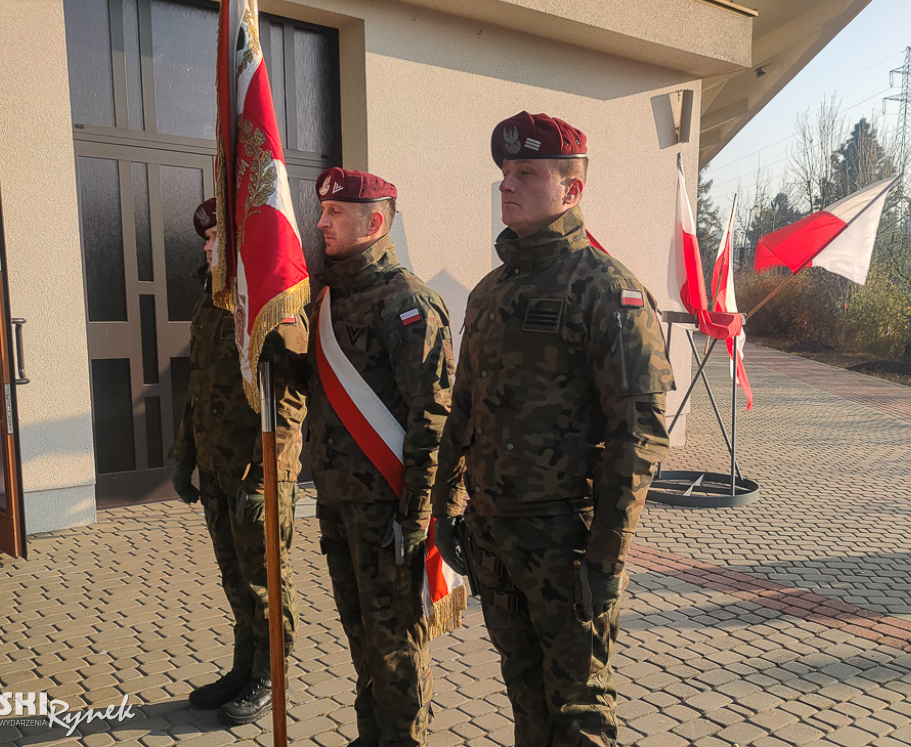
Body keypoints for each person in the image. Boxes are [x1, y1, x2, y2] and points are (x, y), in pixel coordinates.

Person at [431, 112, 673, 747]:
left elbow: (638, 435)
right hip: (493, 534)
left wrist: (606, 557)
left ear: (572, 189)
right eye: (505, 173)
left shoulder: (605, 290)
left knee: (578, 712)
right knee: (524, 696)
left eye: (527, 173)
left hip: (566, 544)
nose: (507, 185)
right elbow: (463, 410)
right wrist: (446, 507)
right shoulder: (488, 293)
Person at [306, 167, 457, 747]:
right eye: (323, 212)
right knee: (361, 638)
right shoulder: (328, 298)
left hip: (391, 513)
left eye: (335, 214)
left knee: (395, 647)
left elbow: (433, 420)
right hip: (339, 506)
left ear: (374, 223)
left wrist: (417, 518)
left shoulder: (409, 302)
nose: (321, 222)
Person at [170, 197, 308, 724]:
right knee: (234, 576)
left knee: (266, 578)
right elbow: (197, 388)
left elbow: (290, 400)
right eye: (204, 241)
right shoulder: (211, 302)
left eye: (215, 241)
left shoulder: (269, 303)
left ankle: (270, 678)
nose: (206, 248)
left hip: (257, 474)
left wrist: (264, 477)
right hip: (217, 468)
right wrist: (184, 457)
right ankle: (243, 667)